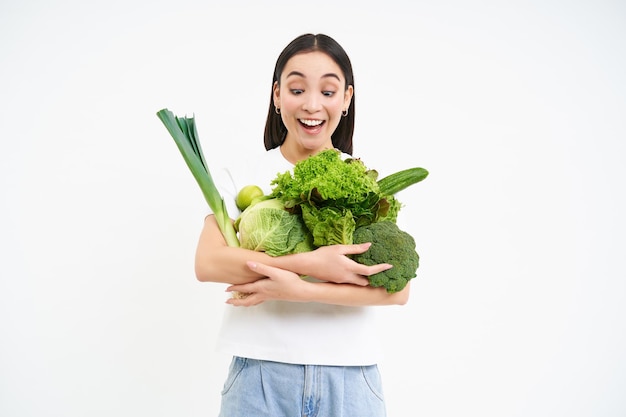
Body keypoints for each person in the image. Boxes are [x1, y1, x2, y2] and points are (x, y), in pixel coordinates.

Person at [195, 33, 410, 417]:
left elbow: (396, 290)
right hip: (257, 375)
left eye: (328, 92)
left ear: (346, 99)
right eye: (297, 88)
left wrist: (300, 291)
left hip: (350, 377)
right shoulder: (243, 175)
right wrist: (310, 265)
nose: (312, 105)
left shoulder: (362, 181)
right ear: (277, 95)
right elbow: (209, 264)